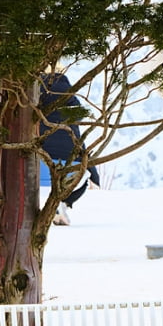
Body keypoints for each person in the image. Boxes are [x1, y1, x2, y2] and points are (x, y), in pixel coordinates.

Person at [39, 70, 101, 223]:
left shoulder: (33, 113)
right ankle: (64, 203)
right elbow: (81, 147)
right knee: (83, 180)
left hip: (36, 169)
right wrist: (94, 175)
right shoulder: (71, 115)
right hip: (69, 171)